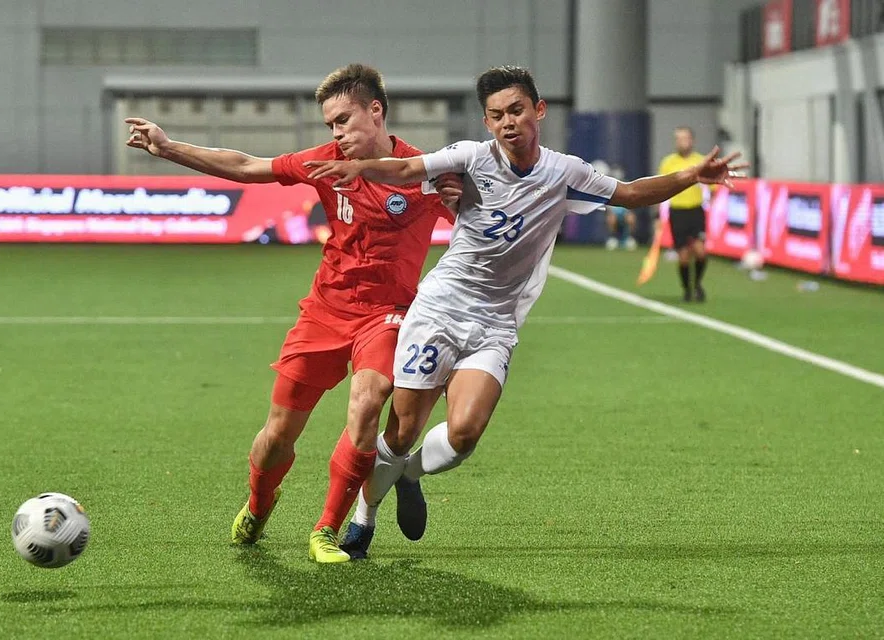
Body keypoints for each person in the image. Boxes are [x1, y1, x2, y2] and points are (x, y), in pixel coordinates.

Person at [305, 65, 745, 558]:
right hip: (441, 309)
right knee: (402, 430)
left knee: (464, 434)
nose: (507, 122)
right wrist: (360, 168)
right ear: (487, 121)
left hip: (495, 321)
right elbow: (409, 169)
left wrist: (691, 175)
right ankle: (364, 522)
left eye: (516, 110)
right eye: (496, 115)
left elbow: (630, 194)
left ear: (539, 110)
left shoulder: (565, 172)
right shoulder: (471, 158)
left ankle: (410, 472)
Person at [125, 63, 460, 564]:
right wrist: (168, 147)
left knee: (368, 402)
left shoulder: (426, 171)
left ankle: (327, 529)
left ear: (376, 111)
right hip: (325, 311)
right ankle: (260, 504)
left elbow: (482, 221)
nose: (336, 133)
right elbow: (246, 166)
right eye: (330, 125)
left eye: (344, 119)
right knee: (277, 435)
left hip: (387, 314)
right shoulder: (325, 161)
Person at [658, 127, 710, 302]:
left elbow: (713, 189)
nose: (681, 142)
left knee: (700, 251)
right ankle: (687, 289)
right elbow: (661, 188)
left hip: (695, 210)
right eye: (678, 139)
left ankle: (698, 284)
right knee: (683, 256)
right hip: (677, 211)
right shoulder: (668, 162)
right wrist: (660, 215)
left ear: (692, 140)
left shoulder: (701, 161)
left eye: (685, 138)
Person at [604, 165, 637, 250]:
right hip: (614, 212)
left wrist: (627, 212)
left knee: (631, 218)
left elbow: (630, 202)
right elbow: (608, 205)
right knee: (612, 218)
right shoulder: (608, 187)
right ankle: (613, 238)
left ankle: (630, 238)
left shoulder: (626, 186)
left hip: (625, 211)